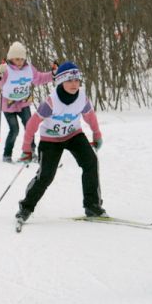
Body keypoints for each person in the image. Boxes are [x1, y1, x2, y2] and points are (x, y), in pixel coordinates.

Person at [15, 62, 106, 225]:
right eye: (70, 81)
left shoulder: (82, 98)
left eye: (77, 80)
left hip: (74, 135)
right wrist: (26, 148)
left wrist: (97, 134)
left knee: (91, 162)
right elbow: (32, 124)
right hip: (50, 140)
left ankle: (92, 206)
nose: (74, 84)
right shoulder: (51, 102)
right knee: (46, 176)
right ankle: (26, 207)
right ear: (61, 82)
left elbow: (90, 116)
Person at [0, 42, 55, 162]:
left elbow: (39, 78)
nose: (19, 62)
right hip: (8, 104)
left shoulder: (29, 68)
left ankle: (30, 152)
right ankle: (7, 155)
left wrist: (53, 75)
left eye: (22, 59)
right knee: (14, 130)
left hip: (24, 102)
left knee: (30, 126)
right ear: (11, 58)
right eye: (17, 59)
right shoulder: (6, 69)